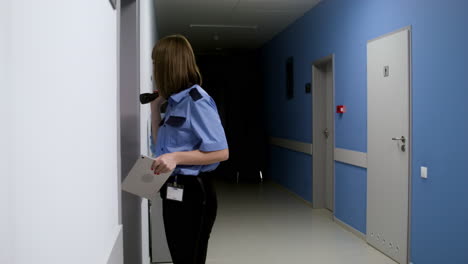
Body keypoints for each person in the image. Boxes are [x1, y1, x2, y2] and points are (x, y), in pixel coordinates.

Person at [149, 34, 229, 264]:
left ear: (168, 65)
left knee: (190, 258)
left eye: (155, 63)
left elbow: (222, 152)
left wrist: (176, 157)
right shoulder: (175, 102)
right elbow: (161, 148)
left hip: (195, 192)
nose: (153, 69)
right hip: (172, 188)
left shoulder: (197, 100)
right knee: (179, 256)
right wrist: (156, 110)